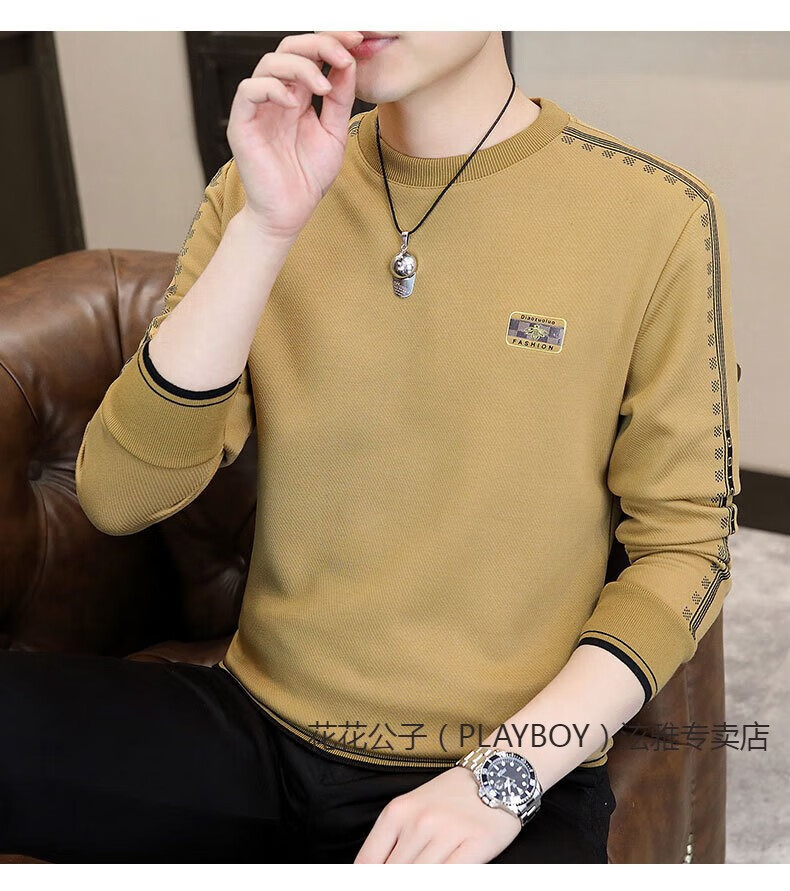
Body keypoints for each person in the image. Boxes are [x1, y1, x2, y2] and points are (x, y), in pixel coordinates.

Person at [1, 31, 740, 864]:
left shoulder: (657, 213)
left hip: (491, 755)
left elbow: (684, 548)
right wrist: (266, 227)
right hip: (255, 726)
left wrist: (502, 776)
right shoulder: (256, 186)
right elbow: (118, 495)